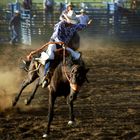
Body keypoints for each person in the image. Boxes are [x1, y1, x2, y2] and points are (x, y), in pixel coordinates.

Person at [27, 10, 92, 88]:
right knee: (50, 56)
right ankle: (46, 76)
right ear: (67, 19)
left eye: (72, 21)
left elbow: (80, 26)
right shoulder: (60, 25)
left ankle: (78, 74)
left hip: (64, 45)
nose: (71, 23)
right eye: (71, 21)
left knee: (77, 56)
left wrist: (87, 25)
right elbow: (57, 35)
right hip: (54, 43)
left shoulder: (73, 26)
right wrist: (62, 43)